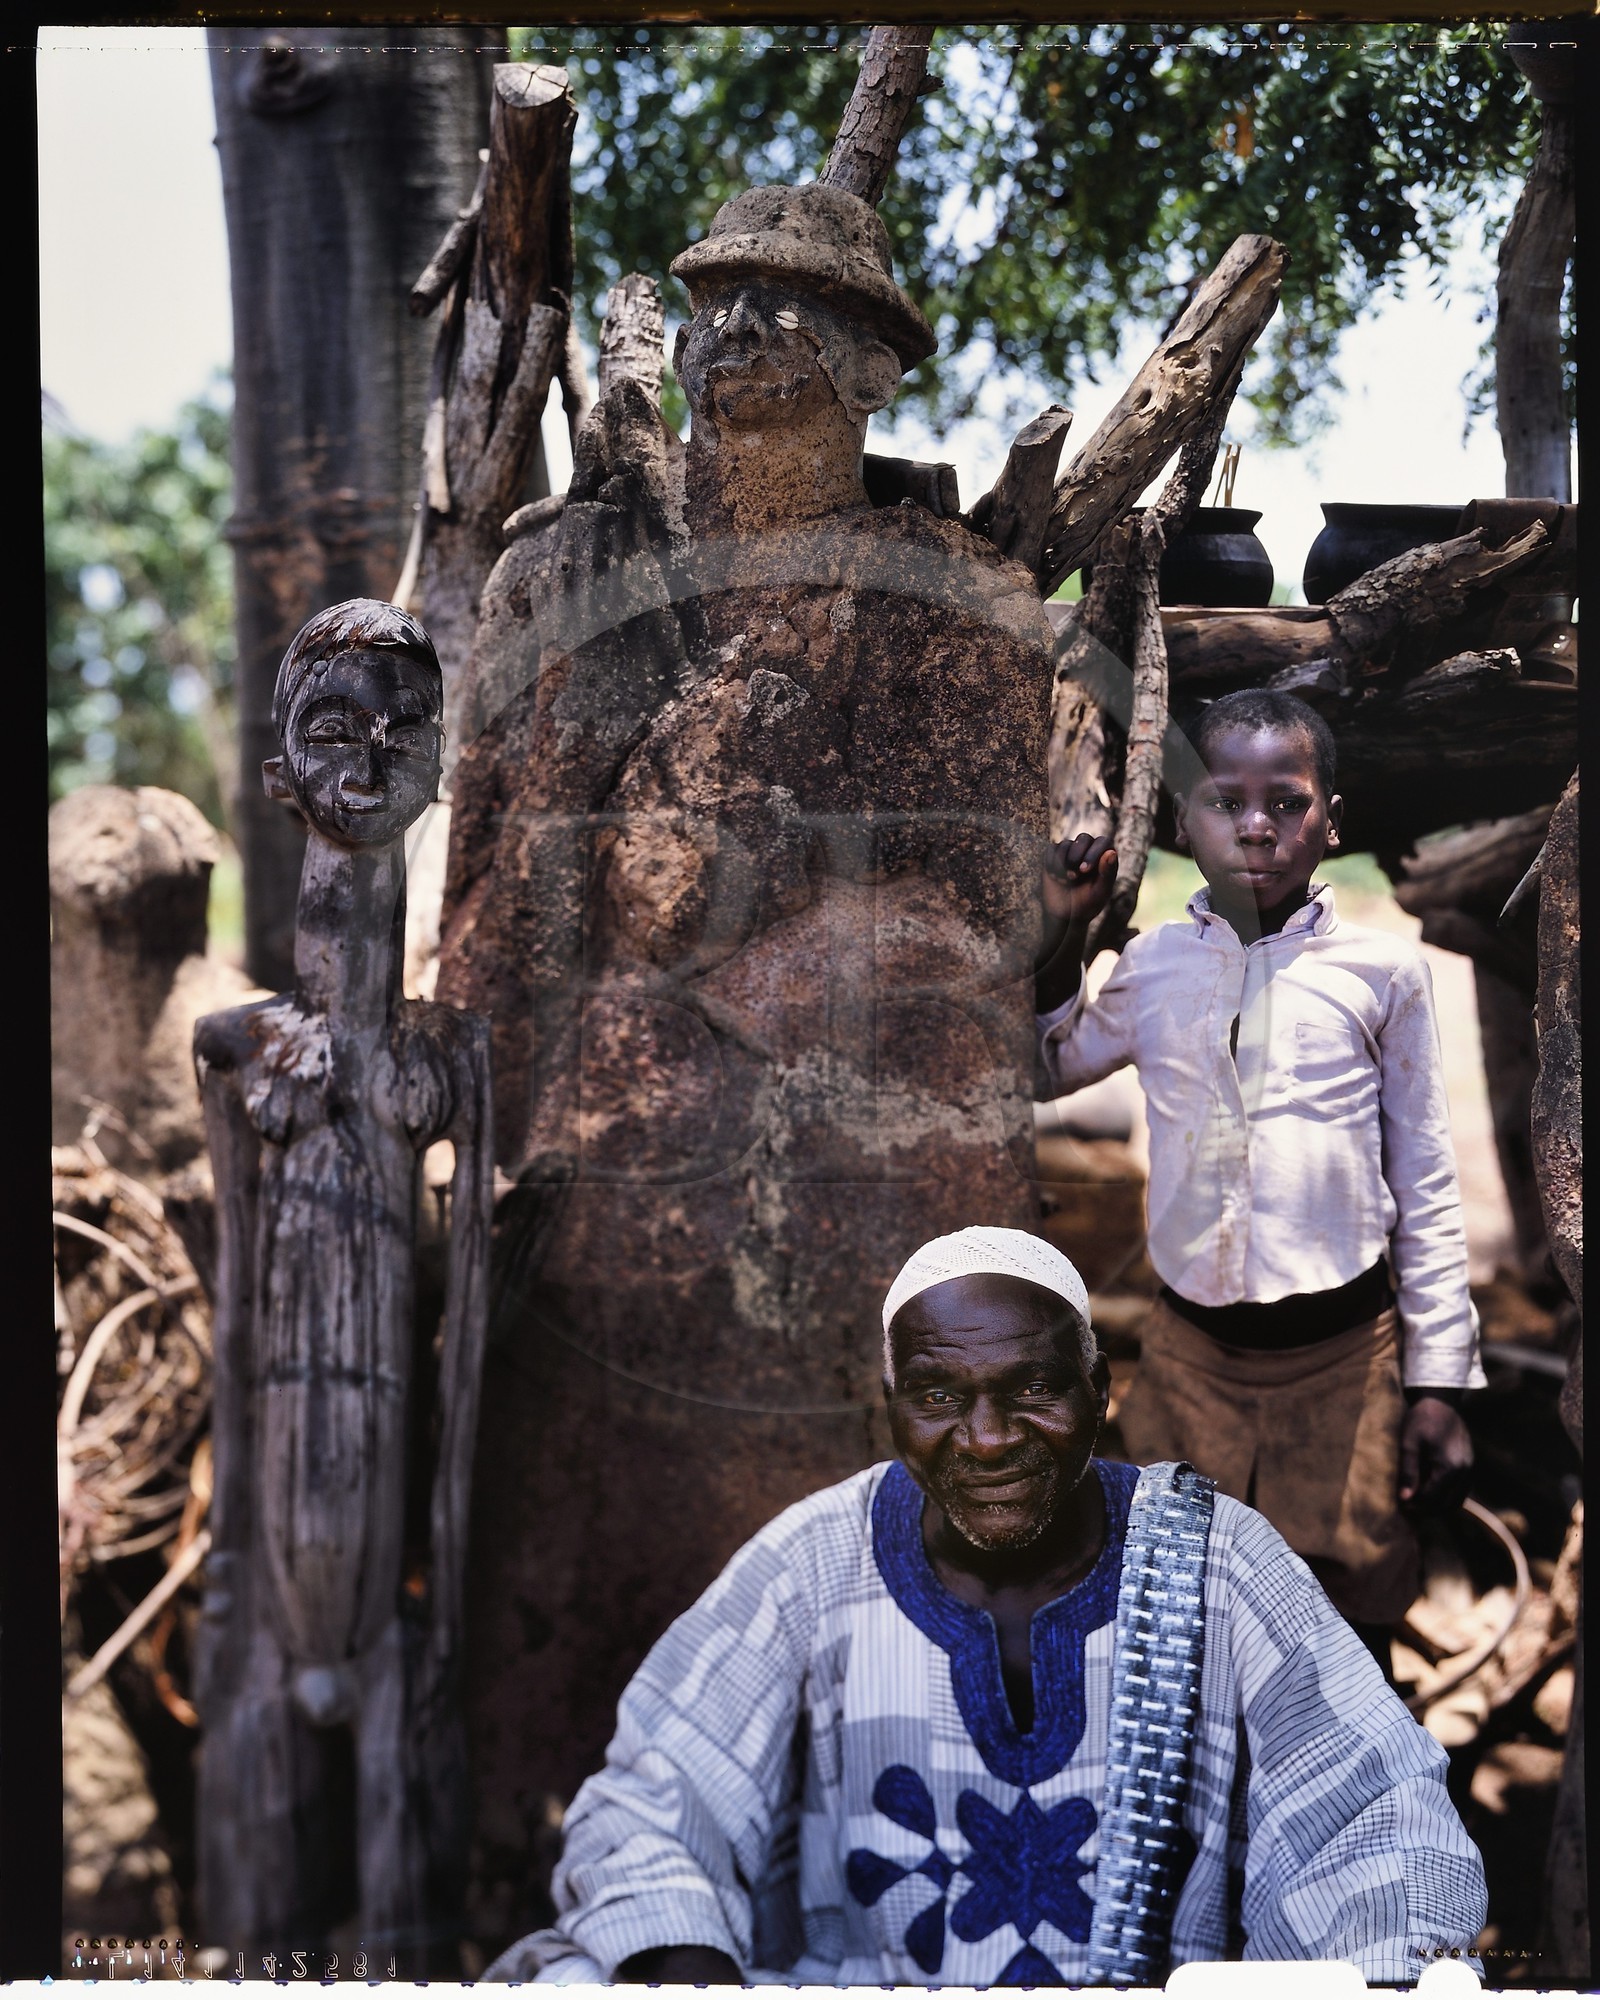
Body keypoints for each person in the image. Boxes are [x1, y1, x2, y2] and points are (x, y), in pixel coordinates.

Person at [487, 1227, 1486, 1986]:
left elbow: (1375, 1818)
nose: (987, 1435)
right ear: (891, 1407)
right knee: (567, 1974)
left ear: (1100, 1391)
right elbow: (655, 1796)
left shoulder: (1216, 1559)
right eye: (936, 1394)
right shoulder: (815, 1557)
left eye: (1033, 1387)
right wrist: (684, 1969)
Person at [1034, 688, 1482, 1650]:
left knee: (1351, 1603)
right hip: (1190, 1356)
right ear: (1180, 822)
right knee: (1175, 1605)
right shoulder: (1152, 964)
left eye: (1287, 802)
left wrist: (1439, 1385)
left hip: (1346, 1363)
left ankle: (1343, 1792)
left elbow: (1429, 1182)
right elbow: (1046, 1067)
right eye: (1224, 801)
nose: (1257, 827)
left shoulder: (1381, 972)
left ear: (1331, 824)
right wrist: (1065, 932)